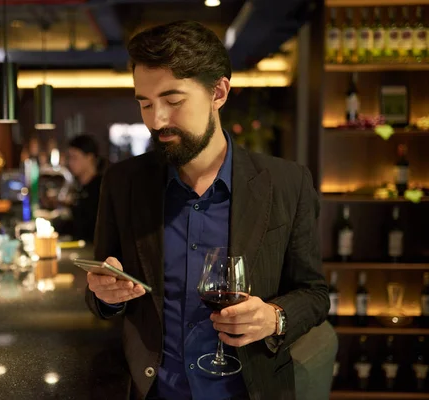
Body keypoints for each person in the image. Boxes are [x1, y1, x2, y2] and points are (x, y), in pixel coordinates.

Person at [84, 20, 329, 400]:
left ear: (219, 91)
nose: (156, 120)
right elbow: (101, 294)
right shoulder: (123, 182)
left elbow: (314, 294)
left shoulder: (286, 183)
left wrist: (275, 318)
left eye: (173, 101)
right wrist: (105, 295)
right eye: (145, 104)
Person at [67, 134, 104, 243]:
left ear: (90, 157)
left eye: (74, 157)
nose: (70, 162)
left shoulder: (100, 187)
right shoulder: (81, 187)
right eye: (69, 158)